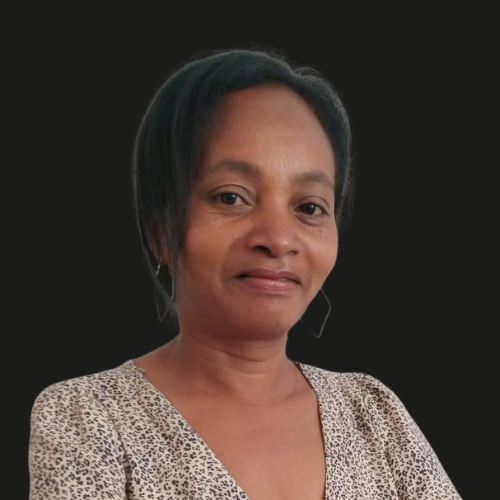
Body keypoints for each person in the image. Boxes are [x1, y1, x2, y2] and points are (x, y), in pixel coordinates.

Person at [28, 47, 462, 500]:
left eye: (309, 207)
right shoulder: (87, 418)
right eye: (231, 197)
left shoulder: (373, 415)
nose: (279, 238)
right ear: (160, 232)